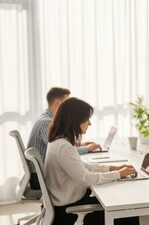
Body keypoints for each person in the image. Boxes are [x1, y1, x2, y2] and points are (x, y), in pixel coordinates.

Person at [45, 97, 139, 225]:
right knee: (128, 210)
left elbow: (84, 166)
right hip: (70, 213)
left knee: (119, 199)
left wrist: (113, 168)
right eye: (87, 119)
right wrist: (119, 174)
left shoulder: (60, 141)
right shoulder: (63, 146)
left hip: (69, 204)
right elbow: (86, 178)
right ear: (75, 120)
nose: (90, 123)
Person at [26, 87, 101, 189]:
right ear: (58, 103)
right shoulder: (47, 122)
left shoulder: (48, 118)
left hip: (46, 174)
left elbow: (61, 146)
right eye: (67, 101)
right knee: (89, 181)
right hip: (40, 177)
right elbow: (61, 151)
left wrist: (80, 144)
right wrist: (87, 149)